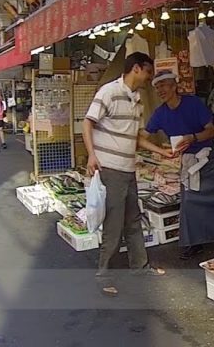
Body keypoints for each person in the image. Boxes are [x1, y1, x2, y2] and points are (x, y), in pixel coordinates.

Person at [83, 52, 164, 296]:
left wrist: (161, 151)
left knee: (133, 220)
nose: (149, 77)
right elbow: (88, 122)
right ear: (136, 68)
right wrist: (91, 155)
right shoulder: (109, 92)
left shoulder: (137, 100)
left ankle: (140, 266)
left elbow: (136, 137)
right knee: (114, 224)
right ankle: (104, 275)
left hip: (128, 170)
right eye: (148, 71)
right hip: (111, 169)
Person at [139, 70, 214, 261]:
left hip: (207, 158)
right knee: (190, 202)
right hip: (188, 161)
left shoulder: (193, 103)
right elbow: (141, 138)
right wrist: (161, 151)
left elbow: (210, 131)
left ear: (174, 86)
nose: (160, 90)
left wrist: (192, 137)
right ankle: (193, 242)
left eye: (164, 85)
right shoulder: (160, 114)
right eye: (157, 87)